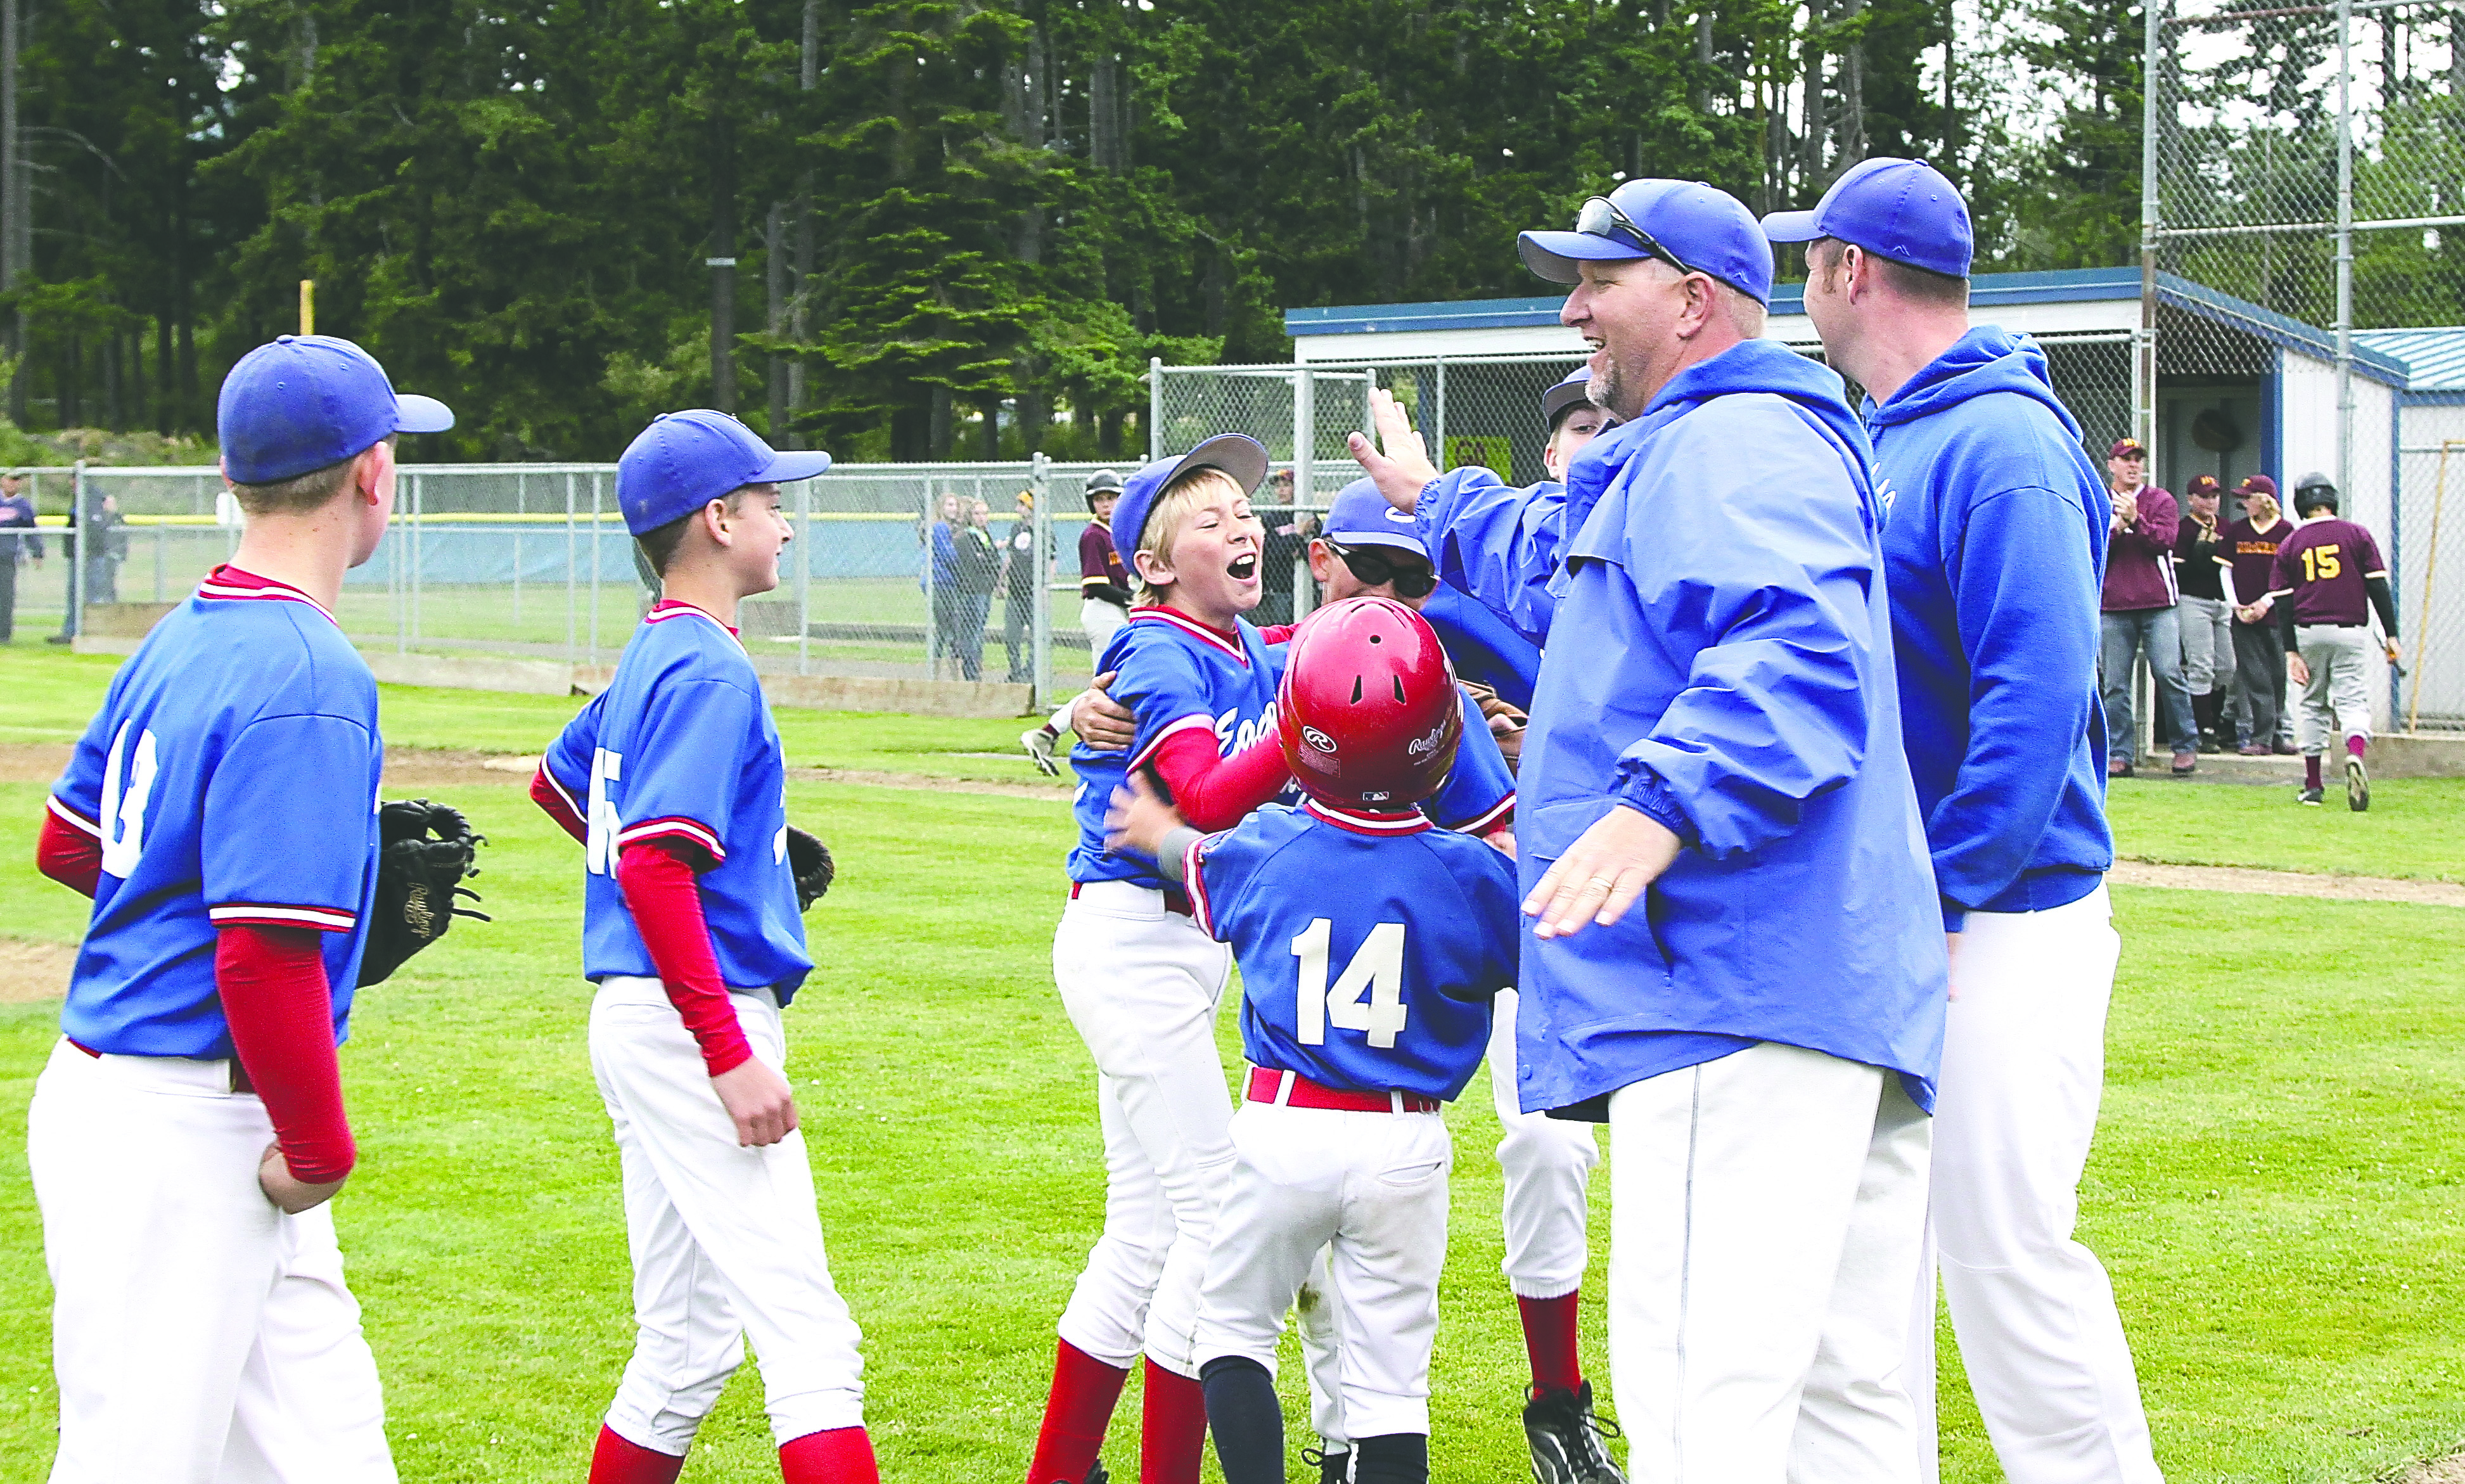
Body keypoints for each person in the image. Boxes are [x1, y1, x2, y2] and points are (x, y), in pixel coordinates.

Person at [1352, 177, 1947, 1483]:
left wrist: (1659, 803)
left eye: (1597, 281)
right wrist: (1426, 497)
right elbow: (1558, 552)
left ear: (1690, 300)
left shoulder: (1731, 441)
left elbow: (1796, 646)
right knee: (1840, 1407)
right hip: (1812, 992)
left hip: (1724, 989)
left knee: (1703, 1412)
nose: (1572, 308)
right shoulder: (1706, 447)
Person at [1765, 157, 2161, 1484]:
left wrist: (1941, 897)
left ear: (1851, 272)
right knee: (1874, 1260)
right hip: (1914, 909)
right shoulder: (1879, 428)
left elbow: (2038, 696)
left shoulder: (2000, 441)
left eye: (1808, 258)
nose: (1798, 281)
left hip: (2005, 916)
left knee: (2002, 1251)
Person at [29, 333, 454, 1480]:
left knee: (327, 1459)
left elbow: (74, 846)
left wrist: (316, 937)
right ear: (373, 474)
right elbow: (260, 957)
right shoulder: (310, 668)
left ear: (232, 478)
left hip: (161, 1100)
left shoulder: (185, 633)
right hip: (186, 1124)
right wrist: (317, 1145)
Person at [527, 409, 880, 1483]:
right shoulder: (710, 669)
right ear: (718, 521)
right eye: (772, 502)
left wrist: (748, 861)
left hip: (647, 1015)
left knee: (685, 1347)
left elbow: (560, 781)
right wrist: (726, 1048)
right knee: (809, 1338)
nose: (786, 520)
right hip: (692, 1020)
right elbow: (646, 862)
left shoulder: (655, 649)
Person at [1106, 597, 1521, 1484]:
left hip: (1283, 1127)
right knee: (1388, 1390)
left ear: (1298, 736)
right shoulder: (1474, 873)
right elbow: (1531, 928)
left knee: (1230, 1333)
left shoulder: (1267, 844)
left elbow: (1192, 856)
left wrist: (1151, 831)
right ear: (1444, 739)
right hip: (1406, 1142)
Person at [1025, 435, 1303, 1484]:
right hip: (1130, 942)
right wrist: (1301, 719)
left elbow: (1305, 639)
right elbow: (1206, 794)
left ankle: (1057, 1472)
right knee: (1217, 1217)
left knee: (1143, 1232)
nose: (1243, 525)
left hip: (1181, 946)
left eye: (1247, 510)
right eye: (1210, 517)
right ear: (1149, 563)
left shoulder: (1242, 645)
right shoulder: (1155, 644)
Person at [2266, 473, 2401, 810]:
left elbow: (2283, 602)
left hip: (2308, 631)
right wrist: (2392, 635)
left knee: (2312, 704)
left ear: (2301, 505)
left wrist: (2291, 650)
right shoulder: (2357, 534)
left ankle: (2313, 785)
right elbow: (2378, 589)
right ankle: (2354, 753)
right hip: (2349, 630)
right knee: (2352, 699)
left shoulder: (2292, 543)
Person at [2098, 438, 2195, 777]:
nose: (2133, 465)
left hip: (2158, 602)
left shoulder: (2160, 500)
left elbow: (2165, 542)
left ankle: (2185, 747)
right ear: (2112, 465)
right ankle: (2119, 754)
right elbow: (2091, 548)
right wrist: (2117, 528)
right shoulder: (2098, 500)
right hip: (2112, 604)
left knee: (2169, 673)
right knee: (2115, 684)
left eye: (2138, 459)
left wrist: (2136, 522)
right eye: (2126, 460)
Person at [2218, 475, 2296, 755]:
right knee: (2256, 677)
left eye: (2248, 498)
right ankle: (2261, 739)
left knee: (2277, 676)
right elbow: (2225, 570)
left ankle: (2276, 735)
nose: (2244, 503)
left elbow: (2289, 578)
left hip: (2275, 616)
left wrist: (2266, 602)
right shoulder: (2238, 531)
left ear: (2264, 500)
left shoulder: (2286, 531)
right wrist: (2236, 605)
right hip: (2244, 617)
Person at [2174, 474, 2232, 752]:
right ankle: (2203, 728)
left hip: (2223, 602)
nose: (2210, 502)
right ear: (2191, 499)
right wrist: (2202, 553)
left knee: (2227, 666)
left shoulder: (2226, 527)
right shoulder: (2184, 529)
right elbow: (2179, 570)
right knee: (2201, 665)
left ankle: (2221, 721)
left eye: (2214, 496)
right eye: (2204, 496)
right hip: (2193, 600)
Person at [951, 497, 1002, 681]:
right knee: (972, 631)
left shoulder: (984, 535)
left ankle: (975, 667)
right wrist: (989, 559)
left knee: (979, 630)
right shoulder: (965, 537)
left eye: (985, 514)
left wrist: (989, 561)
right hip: (971, 591)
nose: (982, 518)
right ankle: (970, 670)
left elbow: (993, 561)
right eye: (977, 514)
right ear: (970, 516)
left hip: (984, 590)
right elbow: (976, 562)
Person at [1002, 489, 1045, 683]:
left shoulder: (1043, 530)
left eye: (1022, 505)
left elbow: (1051, 559)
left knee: (1036, 636)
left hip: (1033, 591)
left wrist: (1045, 587)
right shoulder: (1016, 528)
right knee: (1012, 635)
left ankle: (1031, 671)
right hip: (1015, 591)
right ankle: (1015, 671)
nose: (1017, 509)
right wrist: (1001, 580)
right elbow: (1010, 556)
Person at [926, 493, 965, 676]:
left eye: (955, 505)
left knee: (953, 628)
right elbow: (948, 555)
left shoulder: (953, 528)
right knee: (945, 627)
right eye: (950, 505)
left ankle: (952, 671)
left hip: (951, 584)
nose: (954, 509)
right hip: (941, 583)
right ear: (941, 508)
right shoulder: (940, 528)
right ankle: (935, 671)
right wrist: (967, 559)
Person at [0, 468, 39, 642]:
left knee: (5, 597)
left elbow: (31, 530)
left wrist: (37, 553)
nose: (13, 483)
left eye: (17, 481)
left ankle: (3, 634)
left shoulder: (22, 506)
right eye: (10, 480)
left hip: (7, 557)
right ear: (3, 481)